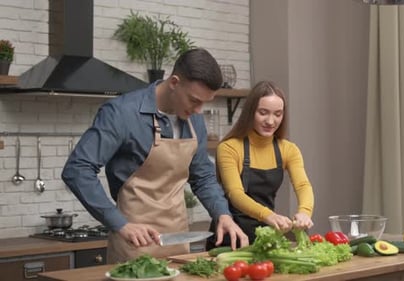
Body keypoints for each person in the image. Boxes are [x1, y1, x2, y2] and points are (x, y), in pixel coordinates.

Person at [62, 48, 248, 263]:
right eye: (194, 100)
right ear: (174, 83)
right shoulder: (122, 113)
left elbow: (203, 176)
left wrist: (222, 214)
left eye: (205, 103)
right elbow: (78, 169)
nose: (199, 110)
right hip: (133, 244)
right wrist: (120, 223)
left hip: (178, 244)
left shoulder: (193, 120)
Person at [206, 80, 315, 248]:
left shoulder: (289, 150)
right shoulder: (229, 147)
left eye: (278, 114)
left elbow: (303, 185)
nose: (271, 121)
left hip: (264, 236)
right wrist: (269, 216)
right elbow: (236, 194)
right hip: (230, 236)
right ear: (250, 112)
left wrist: (304, 212)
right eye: (263, 113)